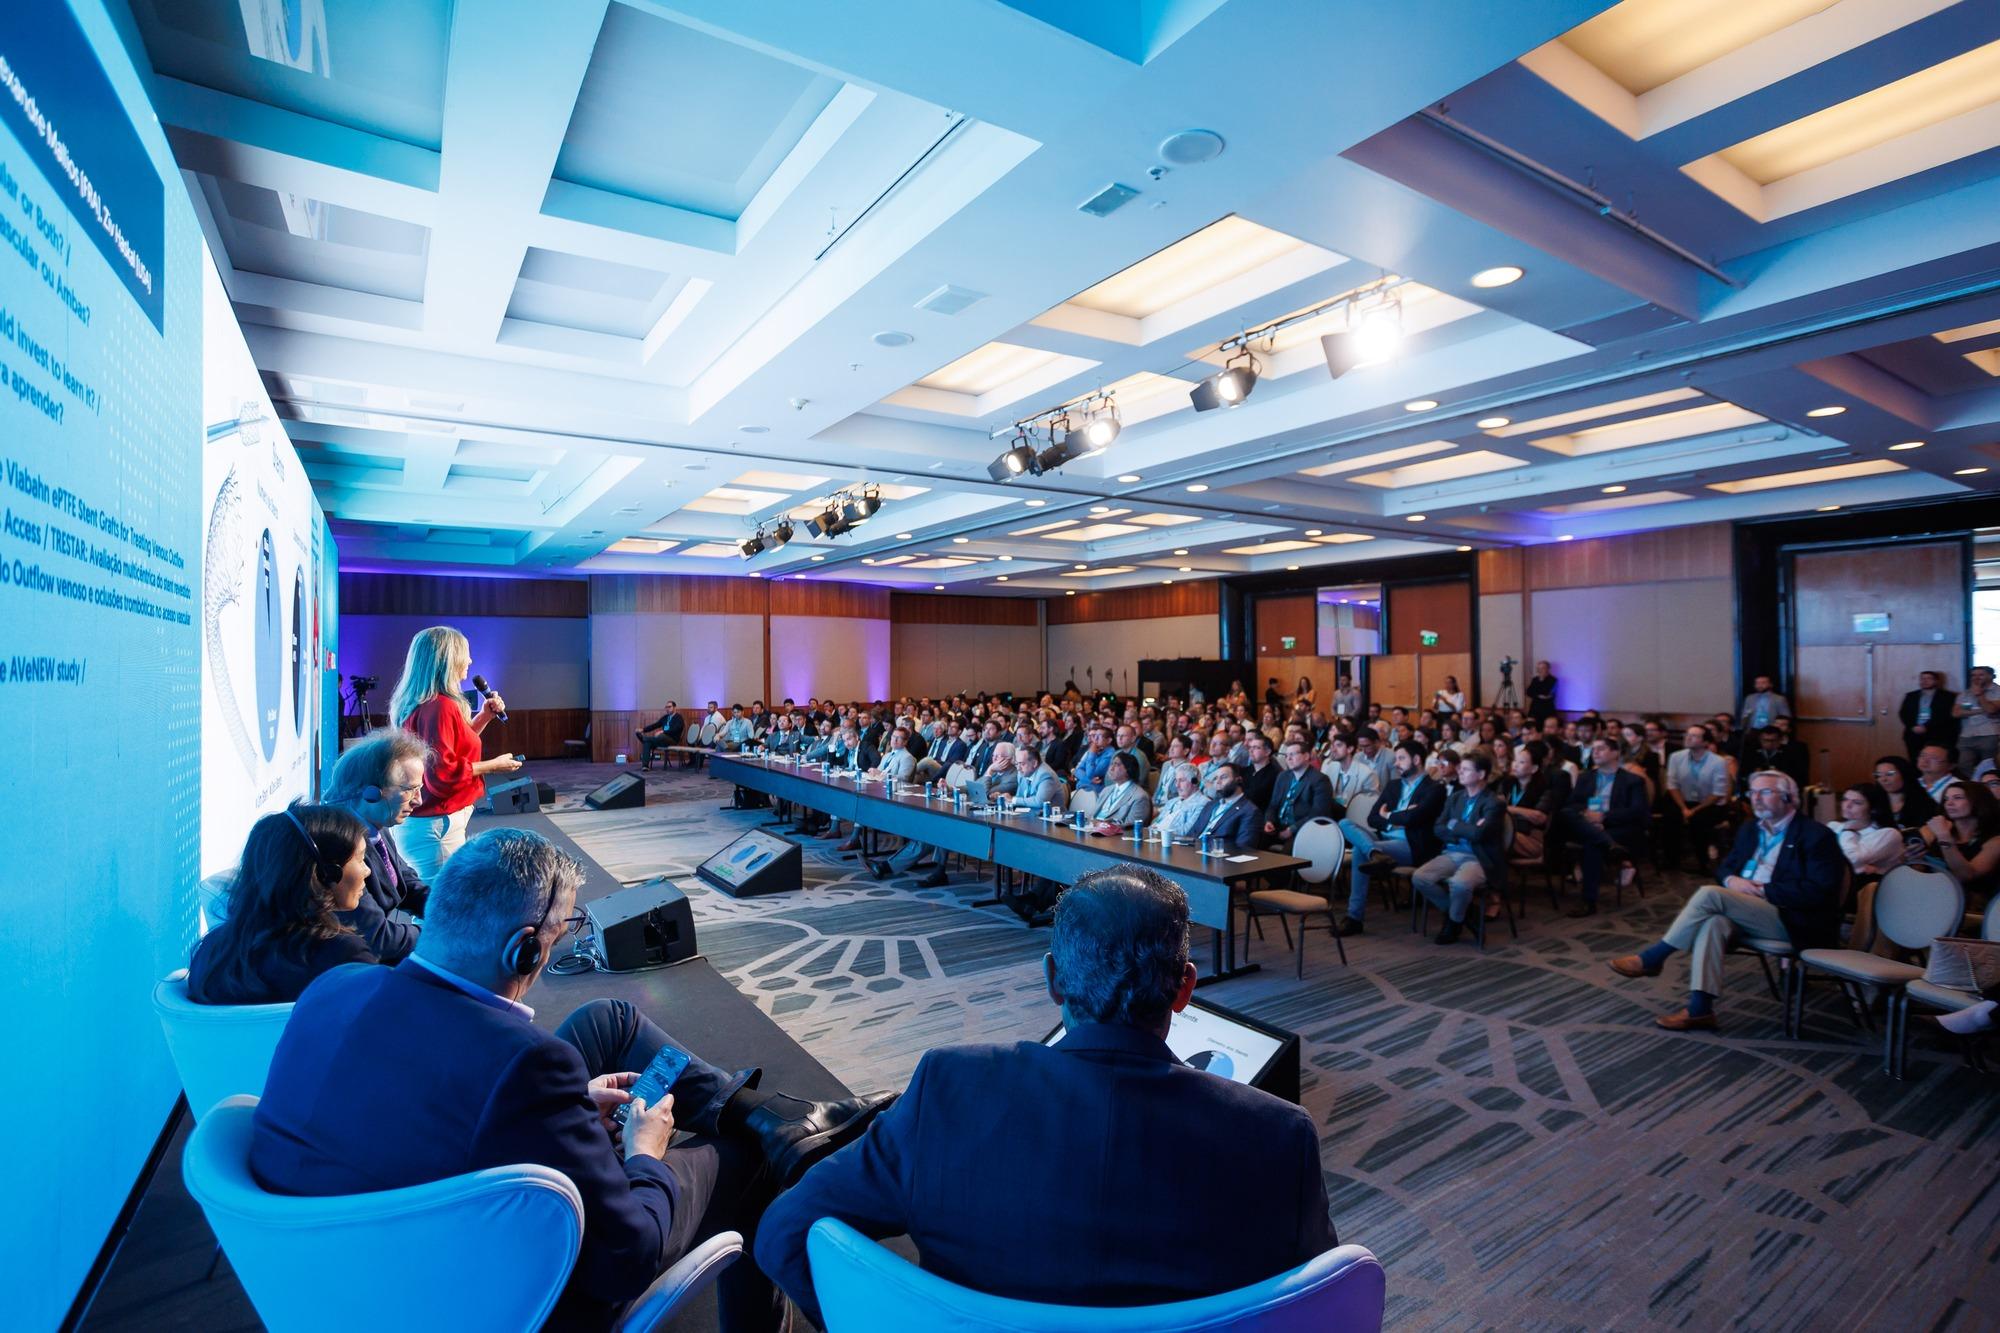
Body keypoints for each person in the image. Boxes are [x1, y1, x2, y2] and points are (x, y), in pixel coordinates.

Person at [248, 829, 893, 1333]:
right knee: (749, 1160)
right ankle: (777, 1137)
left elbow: (412, 1094)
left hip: (340, 1277)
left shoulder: (335, 987)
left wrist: (565, 1105)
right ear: (525, 949)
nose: (557, 948)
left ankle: (779, 1119)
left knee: (607, 1018)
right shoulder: (526, 1064)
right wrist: (645, 1154)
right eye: (562, 933)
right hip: (490, 1298)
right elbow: (629, 1256)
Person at [755, 865, 1336, 1325]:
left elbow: (783, 1234)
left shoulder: (950, 1087)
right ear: (1185, 988)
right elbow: (1322, 1307)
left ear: (1053, 978)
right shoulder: (1277, 1135)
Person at [1608, 771, 1843, 1032]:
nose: (1756, 799)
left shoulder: (1815, 836)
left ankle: (1654, 957)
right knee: (1714, 923)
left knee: (1711, 894)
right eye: (1753, 793)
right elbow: (1724, 868)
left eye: (1765, 792)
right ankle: (1700, 1009)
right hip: (1745, 909)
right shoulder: (1750, 829)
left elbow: (1819, 891)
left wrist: (1763, 890)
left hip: (1792, 919)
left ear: (1789, 797)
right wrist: (1733, 881)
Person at [186, 805, 377, 1005]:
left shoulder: (211, 952)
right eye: (360, 859)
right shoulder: (344, 958)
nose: (367, 871)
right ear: (325, 873)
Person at [388, 626, 521, 879]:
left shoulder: (427, 703)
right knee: (440, 901)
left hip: (428, 825)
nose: (469, 661)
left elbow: (450, 748)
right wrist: (493, 765)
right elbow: (443, 774)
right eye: (465, 654)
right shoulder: (440, 706)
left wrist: (484, 716)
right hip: (435, 828)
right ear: (446, 659)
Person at [323, 728, 434, 963]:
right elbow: (379, 938)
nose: (419, 800)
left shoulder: (374, 822)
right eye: (409, 790)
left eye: (419, 789)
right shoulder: (337, 848)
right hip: (344, 967)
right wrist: (448, 933)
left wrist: (452, 909)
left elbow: (405, 882)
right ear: (371, 793)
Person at [1336, 741, 1444, 937]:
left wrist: (1388, 816)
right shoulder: (1393, 786)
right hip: (1382, 839)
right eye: (1396, 759)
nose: (1396, 764)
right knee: (1345, 823)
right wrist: (1398, 819)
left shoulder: (1434, 789)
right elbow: (1372, 818)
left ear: (1417, 760)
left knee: (1360, 850)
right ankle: (1375, 854)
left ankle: (1354, 918)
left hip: (1411, 845)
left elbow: (1413, 818)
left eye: (1401, 759)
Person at [1412, 751, 1506, 944]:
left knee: (1460, 884)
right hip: (1453, 851)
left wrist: (1454, 824)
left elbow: (1479, 835)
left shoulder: (1494, 802)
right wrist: (1464, 830)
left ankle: (1453, 923)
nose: (1460, 772)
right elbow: (1438, 828)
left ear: (1481, 774)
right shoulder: (1455, 798)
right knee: (1420, 877)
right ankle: (1464, 913)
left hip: (1479, 858)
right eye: (1460, 768)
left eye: (1465, 769)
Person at [1554, 737, 1651, 918]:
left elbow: (1637, 811)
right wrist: (1586, 813)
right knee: (1566, 813)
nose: (1595, 752)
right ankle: (1609, 844)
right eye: (1594, 749)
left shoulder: (1632, 780)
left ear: (1615, 753)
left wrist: (1604, 818)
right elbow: (1572, 804)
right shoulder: (1586, 777)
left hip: (1616, 827)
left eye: (1601, 748)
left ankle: (1588, 901)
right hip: (1586, 824)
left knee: (1592, 844)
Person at [1660, 725, 1734, 873]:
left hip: (1708, 802)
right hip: (1683, 800)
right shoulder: (1676, 757)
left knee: (1700, 821)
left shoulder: (1718, 762)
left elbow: (1718, 792)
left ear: (1705, 742)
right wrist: (1684, 808)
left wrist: (1694, 810)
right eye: (1687, 734)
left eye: (1694, 736)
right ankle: (1672, 860)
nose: (1688, 738)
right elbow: (1672, 784)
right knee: (1670, 818)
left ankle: (1703, 861)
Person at [1916, 780, 2000, 903]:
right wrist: (1913, 857)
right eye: (1946, 799)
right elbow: (1916, 869)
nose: (1949, 803)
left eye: (1958, 798)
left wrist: (1944, 836)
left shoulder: (1995, 841)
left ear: (1978, 801)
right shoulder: (1932, 829)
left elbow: (1966, 875)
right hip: (1927, 894)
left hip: (1968, 904)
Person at [1263, 741, 1333, 850]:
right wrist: (1269, 820)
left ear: (1306, 756)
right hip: (1278, 826)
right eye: (1286, 755)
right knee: (1253, 841)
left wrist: (1292, 829)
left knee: (1288, 853)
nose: (1289, 759)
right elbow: (1273, 804)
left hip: (1302, 829)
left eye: (1293, 754)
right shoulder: (1283, 776)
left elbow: (1318, 813)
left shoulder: (1320, 780)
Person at [1190, 763, 1261, 848]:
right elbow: (1191, 834)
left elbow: (1244, 848)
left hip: (1215, 854)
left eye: (1223, 777)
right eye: (1215, 778)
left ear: (1238, 780)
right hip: (1192, 851)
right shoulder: (1210, 805)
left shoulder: (1250, 811)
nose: (1218, 782)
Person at [1900, 671, 1958, 762]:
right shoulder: (1911, 695)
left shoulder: (1948, 697)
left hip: (1937, 735)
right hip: (1914, 734)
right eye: (1922, 678)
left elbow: (1946, 716)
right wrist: (1913, 726)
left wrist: (1927, 727)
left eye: (1928, 678)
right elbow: (1904, 713)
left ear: (1936, 681)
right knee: (1915, 761)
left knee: (1935, 761)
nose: (1925, 681)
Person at [1321, 732, 1380, 818]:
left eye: (1339, 746)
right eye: (1333, 746)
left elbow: (1369, 805)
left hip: (1355, 816)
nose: (1333, 750)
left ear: (1350, 749)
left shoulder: (1367, 774)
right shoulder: (1331, 767)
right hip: (1332, 814)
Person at [1954, 665, 2000, 771]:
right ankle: (1975, 781)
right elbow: (1956, 713)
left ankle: (1987, 781)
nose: (1976, 678)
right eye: (1973, 675)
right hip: (1967, 735)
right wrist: (1981, 710)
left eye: (1981, 675)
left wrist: (1980, 695)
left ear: (1991, 676)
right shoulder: (1966, 693)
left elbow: (1991, 710)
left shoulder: (1998, 691)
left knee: (1990, 766)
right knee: (1963, 764)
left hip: (1989, 734)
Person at [1092, 753, 1152, 829]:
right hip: (1092, 829)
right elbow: (1093, 817)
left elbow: (1131, 827)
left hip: (1112, 834)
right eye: (1111, 764)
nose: (1111, 768)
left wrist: (1102, 825)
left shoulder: (1140, 797)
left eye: (1116, 764)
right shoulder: (1106, 790)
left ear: (1128, 769)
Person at [1154, 766, 1212, 841]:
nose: (1177, 785)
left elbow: (1187, 831)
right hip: (1158, 838)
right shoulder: (1172, 801)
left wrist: (1161, 832)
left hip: (1173, 843)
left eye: (1182, 780)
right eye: (1176, 781)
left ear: (1194, 782)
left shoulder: (1203, 803)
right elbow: (1156, 823)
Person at [636, 702, 686, 770]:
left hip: (673, 740)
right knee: (648, 743)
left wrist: (663, 732)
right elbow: (655, 725)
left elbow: (676, 729)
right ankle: (645, 766)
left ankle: (644, 739)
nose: (667, 709)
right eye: (666, 707)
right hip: (662, 740)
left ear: (675, 708)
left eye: (669, 707)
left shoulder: (678, 717)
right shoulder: (665, 717)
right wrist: (643, 730)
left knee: (660, 736)